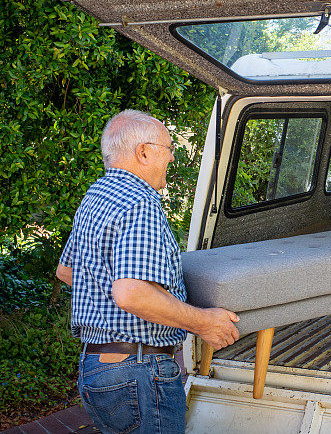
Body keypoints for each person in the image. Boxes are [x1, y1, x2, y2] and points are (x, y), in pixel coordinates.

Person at [55, 109, 239, 434]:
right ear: (143, 152)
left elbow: (67, 271)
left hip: (95, 369)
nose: (171, 157)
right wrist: (204, 322)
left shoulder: (96, 196)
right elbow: (130, 292)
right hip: (138, 371)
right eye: (168, 148)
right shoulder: (140, 202)